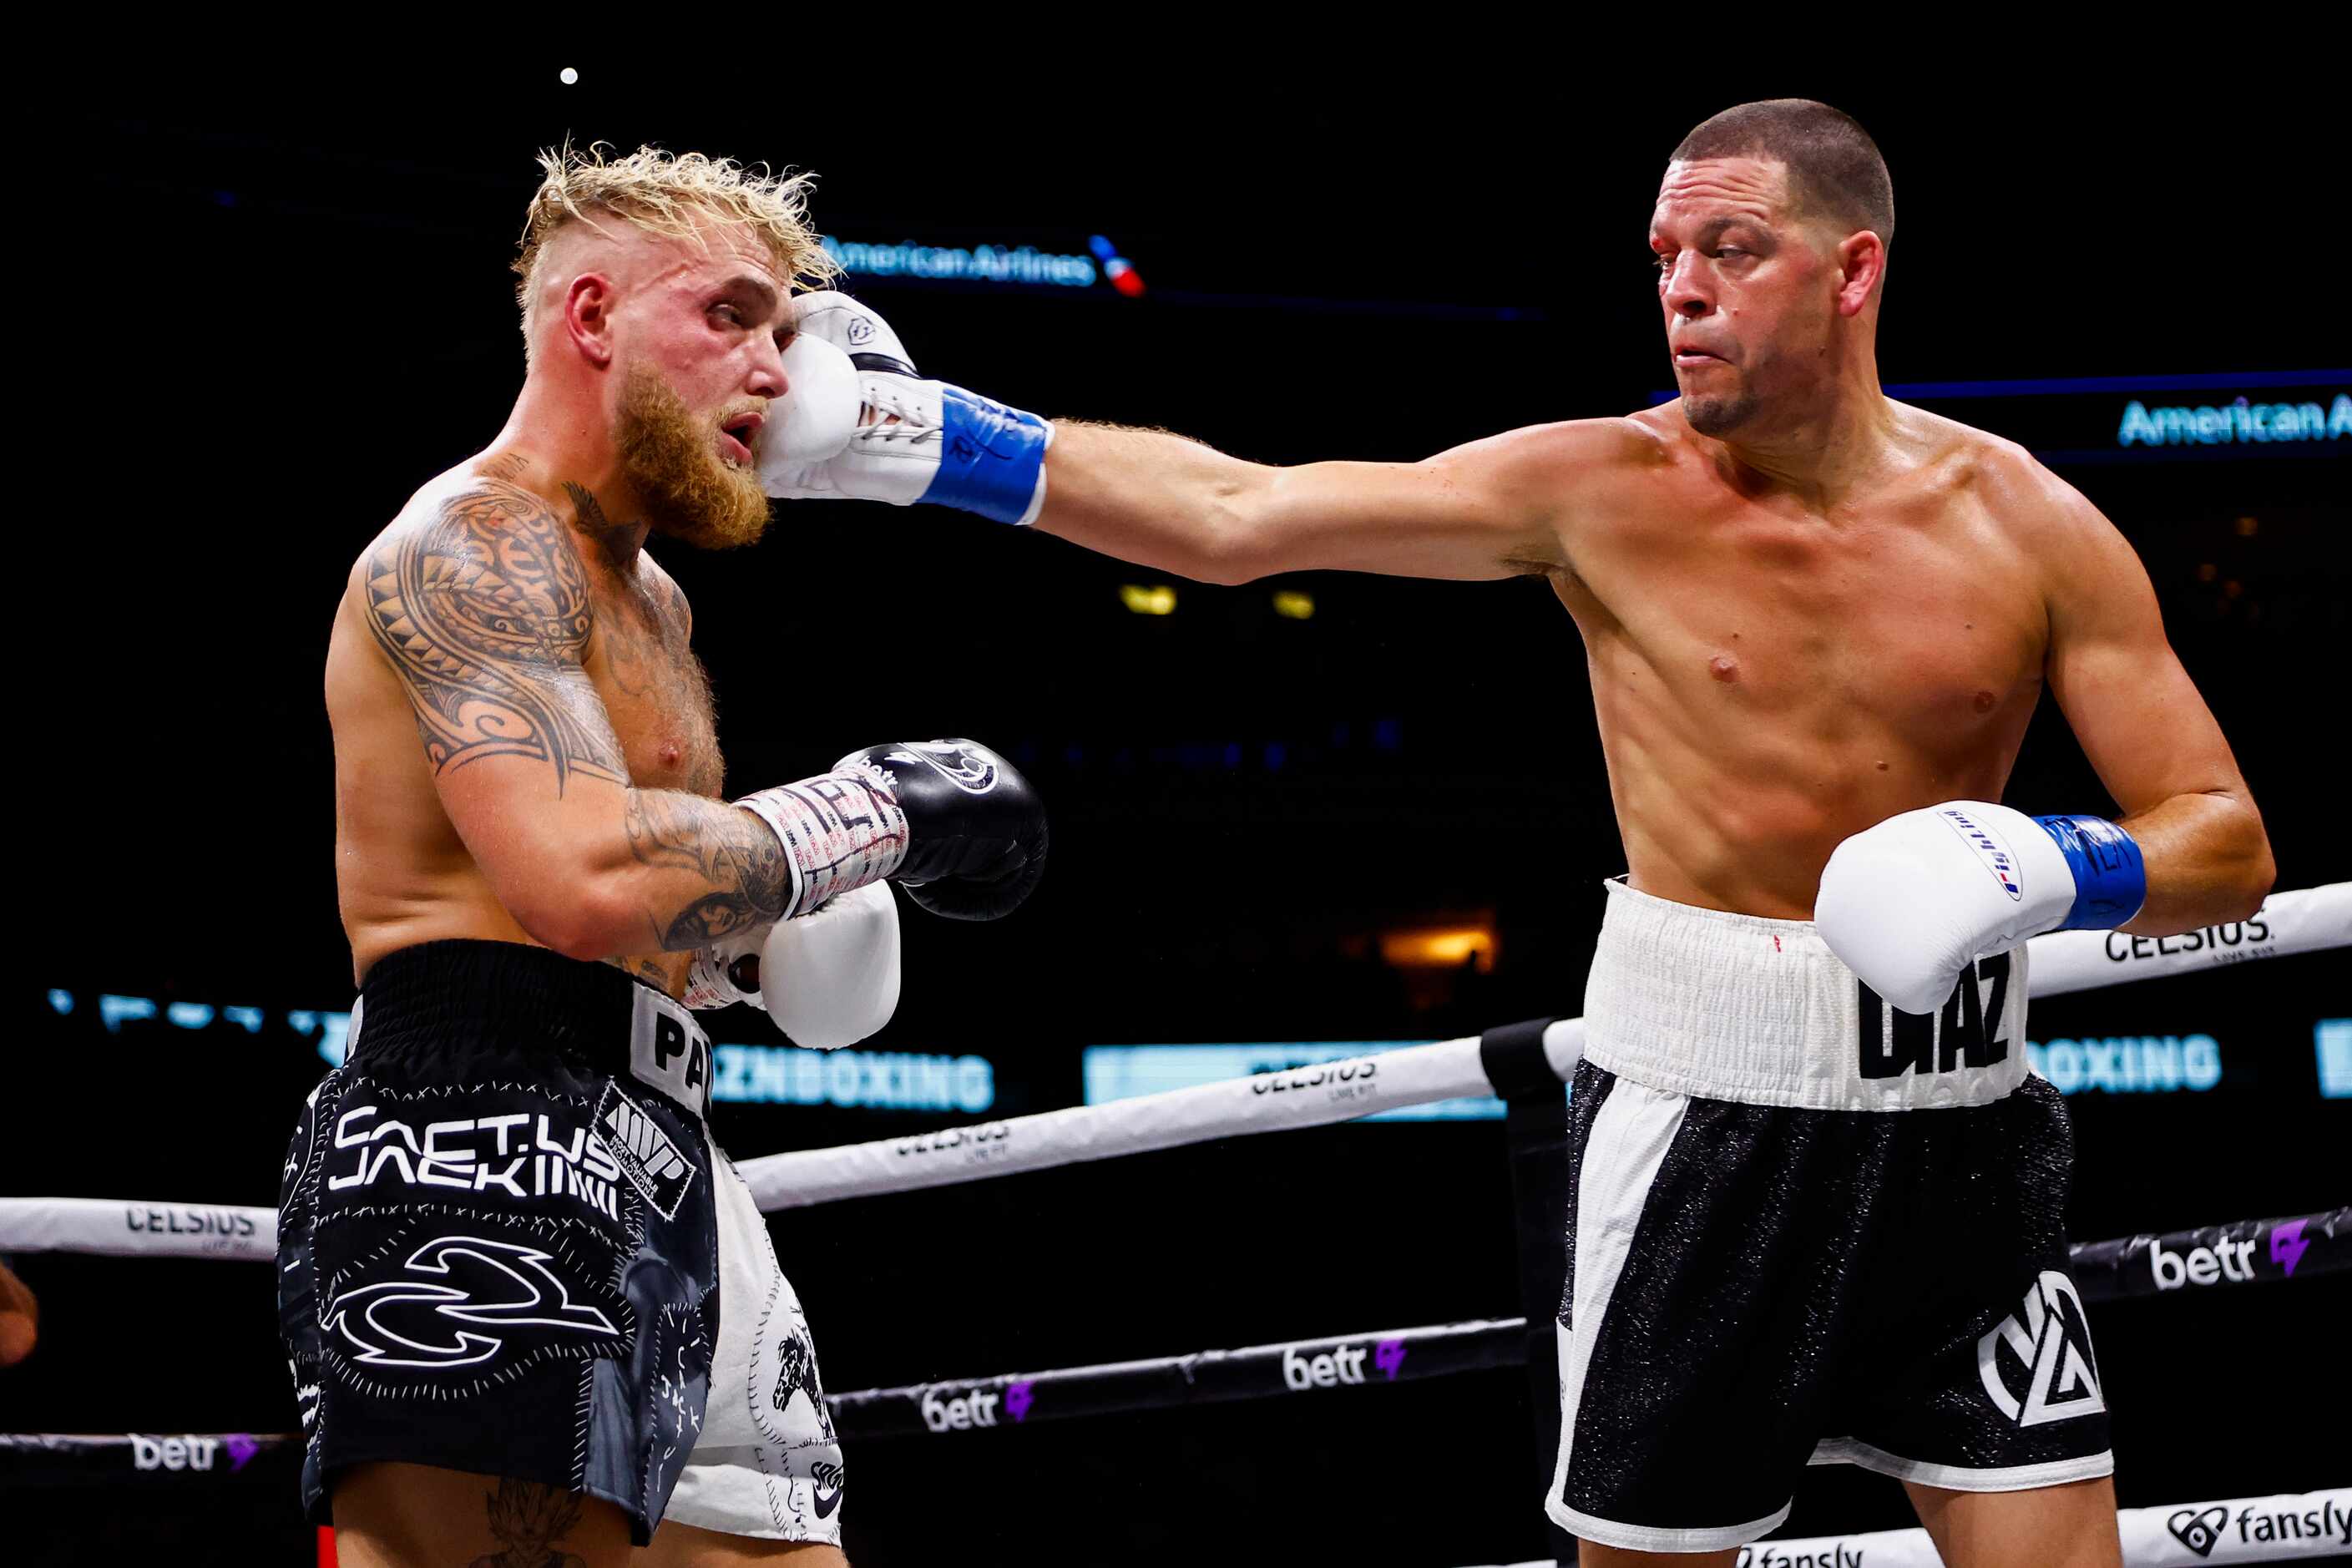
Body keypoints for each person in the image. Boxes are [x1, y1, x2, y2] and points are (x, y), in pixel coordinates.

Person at [757, 99, 2274, 1567]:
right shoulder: (1603, 488)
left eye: (1732, 249)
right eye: (1665, 256)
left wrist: (2052, 866)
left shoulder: (2031, 523)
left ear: (1854, 269)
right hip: (1705, 1125)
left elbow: (2223, 841)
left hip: (1967, 1137)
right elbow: (1237, 516)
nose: (1682, 289)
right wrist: (912, 433)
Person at [283, 144, 1046, 1568]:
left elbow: (651, 908)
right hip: (480, 1140)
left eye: (784, 329)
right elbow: (575, 879)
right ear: (591, 321)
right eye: (732, 316)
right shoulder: (469, 547)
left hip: (669, 1137)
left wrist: (753, 955)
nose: (775, 366)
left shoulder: (659, 603)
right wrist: (864, 813)